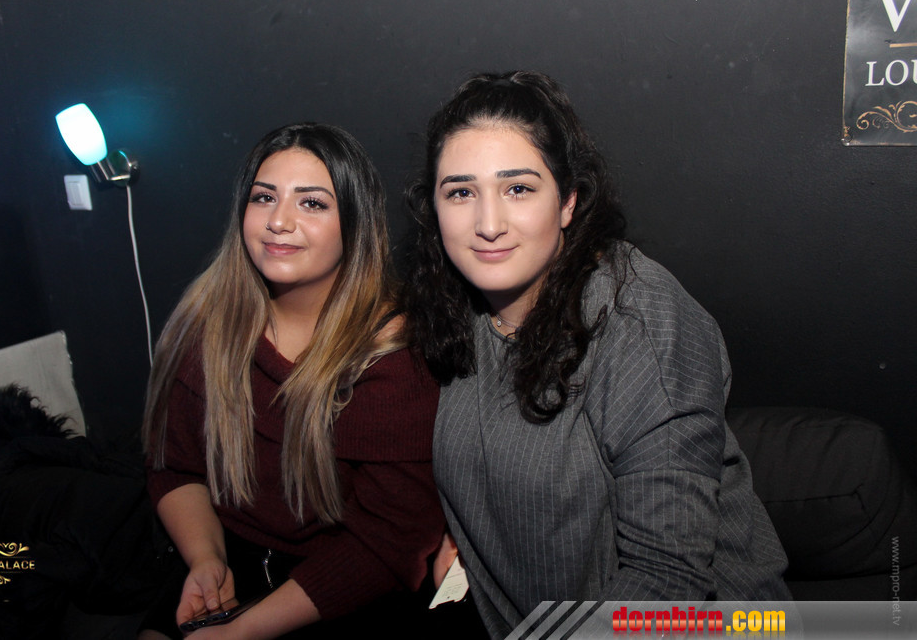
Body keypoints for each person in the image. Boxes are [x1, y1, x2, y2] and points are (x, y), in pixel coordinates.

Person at [403, 71, 790, 638]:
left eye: (518, 189)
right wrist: (459, 532)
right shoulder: (455, 309)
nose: (487, 225)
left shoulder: (638, 319)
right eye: (461, 192)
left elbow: (667, 581)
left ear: (568, 202)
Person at [141, 123, 443, 639]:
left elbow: (389, 544)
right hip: (225, 554)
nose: (278, 221)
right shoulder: (206, 323)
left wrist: (240, 632)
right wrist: (207, 560)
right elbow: (174, 465)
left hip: (338, 589)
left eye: (312, 203)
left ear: (355, 224)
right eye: (264, 198)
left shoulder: (393, 360)